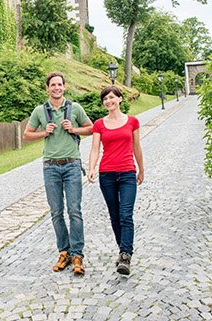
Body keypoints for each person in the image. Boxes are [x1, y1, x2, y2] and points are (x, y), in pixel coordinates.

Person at [24, 72, 93, 275]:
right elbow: (27, 135)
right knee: (56, 212)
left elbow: (91, 128)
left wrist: (74, 129)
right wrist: (44, 133)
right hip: (50, 166)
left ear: (64, 87)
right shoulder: (40, 111)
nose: (56, 88)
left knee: (74, 210)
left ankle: (78, 254)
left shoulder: (75, 108)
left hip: (72, 165)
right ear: (47, 88)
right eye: (53, 85)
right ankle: (64, 252)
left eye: (59, 84)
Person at [87, 86, 144, 275]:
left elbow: (137, 147)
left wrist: (141, 170)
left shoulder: (132, 122)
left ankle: (126, 255)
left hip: (128, 172)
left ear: (120, 99)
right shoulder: (99, 124)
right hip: (107, 175)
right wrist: (92, 168)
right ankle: (123, 249)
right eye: (105, 99)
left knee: (126, 214)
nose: (108, 101)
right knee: (114, 216)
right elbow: (95, 148)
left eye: (111, 97)